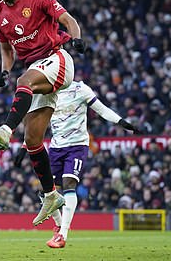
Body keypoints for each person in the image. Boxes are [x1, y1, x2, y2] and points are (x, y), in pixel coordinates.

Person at [0, 0, 86, 227]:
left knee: (22, 83)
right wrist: (4, 70)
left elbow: (68, 20)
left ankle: (5, 129)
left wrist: (77, 39)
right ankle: (51, 195)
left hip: (58, 58)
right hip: (34, 70)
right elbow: (6, 48)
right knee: (34, 140)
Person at [14, 80, 142, 248]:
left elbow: (101, 109)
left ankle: (63, 234)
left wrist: (121, 122)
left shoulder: (81, 89)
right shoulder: (47, 92)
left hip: (77, 145)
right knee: (46, 191)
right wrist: (25, 146)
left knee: (69, 184)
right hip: (56, 147)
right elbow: (37, 125)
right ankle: (59, 224)